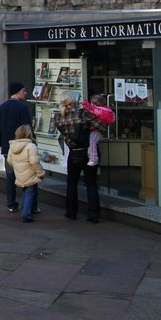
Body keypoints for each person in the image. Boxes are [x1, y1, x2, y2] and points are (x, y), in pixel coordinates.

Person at [51, 93, 106, 223]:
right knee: (91, 184)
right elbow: (102, 127)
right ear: (74, 102)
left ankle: (71, 211)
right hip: (89, 151)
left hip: (73, 152)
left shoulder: (58, 117)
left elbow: (63, 132)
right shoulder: (83, 114)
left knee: (71, 183)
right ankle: (93, 214)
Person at [0, 82, 34, 213]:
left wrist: (0, 143)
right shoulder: (22, 108)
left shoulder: (1, 108)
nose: (25, 93)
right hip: (23, 147)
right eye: (23, 90)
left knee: (10, 176)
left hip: (8, 147)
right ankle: (29, 206)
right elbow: (28, 128)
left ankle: (11, 203)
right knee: (27, 176)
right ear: (17, 92)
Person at [7, 124, 45, 222]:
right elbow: (34, 162)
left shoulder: (12, 146)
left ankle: (31, 208)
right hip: (31, 173)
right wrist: (40, 173)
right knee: (30, 192)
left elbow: (9, 161)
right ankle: (26, 214)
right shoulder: (31, 146)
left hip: (20, 173)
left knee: (27, 191)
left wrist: (17, 168)